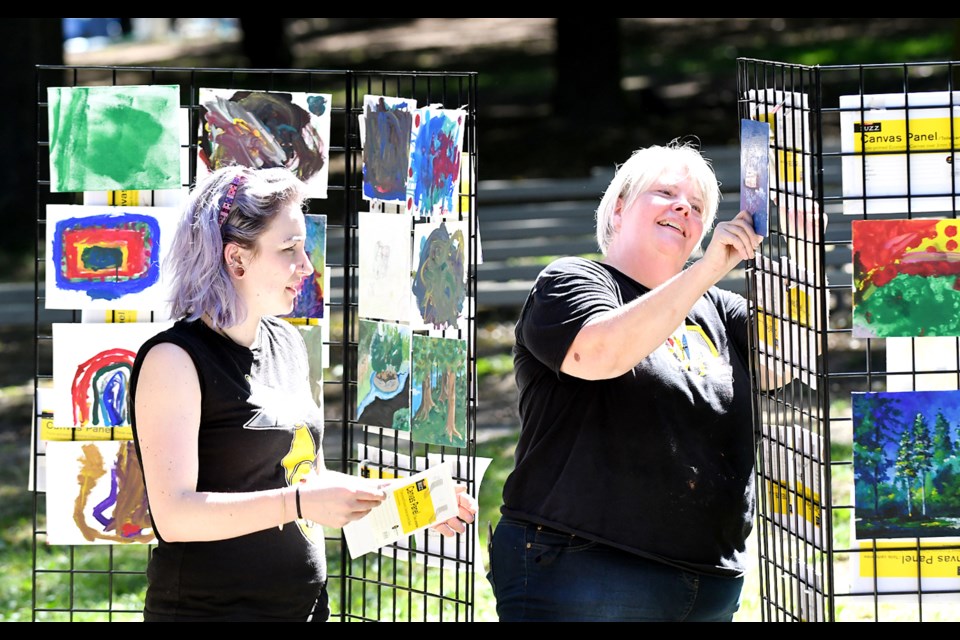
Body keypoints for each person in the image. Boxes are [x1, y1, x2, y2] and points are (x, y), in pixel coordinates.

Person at [130, 165, 477, 622]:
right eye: (289, 249)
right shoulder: (173, 360)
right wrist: (297, 503)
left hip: (306, 609)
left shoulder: (288, 343)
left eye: (305, 247)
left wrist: (406, 500)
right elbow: (174, 517)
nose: (307, 266)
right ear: (237, 260)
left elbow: (308, 481)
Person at [488, 140, 768, 622]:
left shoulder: (718, 308)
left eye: (697, 206)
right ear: (618, 208)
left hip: (709, 584)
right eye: (665, 193)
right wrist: (707, 271)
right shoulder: (570, 281)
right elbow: (601, 353)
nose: (683, 206)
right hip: (584, 570)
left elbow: (793, 357)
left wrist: (804, 250)